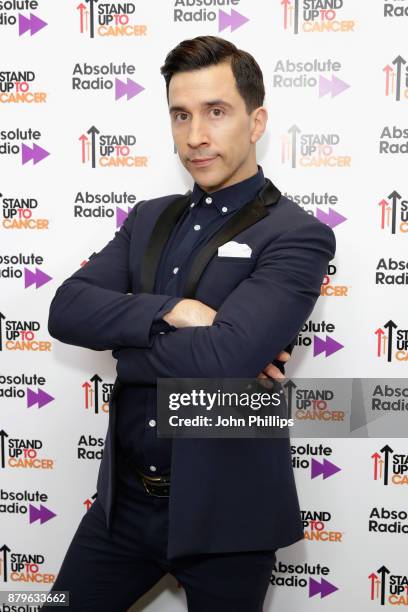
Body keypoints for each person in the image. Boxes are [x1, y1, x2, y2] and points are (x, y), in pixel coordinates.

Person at [45, 35, 336, 612]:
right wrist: (167, 312)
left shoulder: (295, 234)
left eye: (216, 112)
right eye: (181, 115)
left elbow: (226, 358)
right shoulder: (149, 218)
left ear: (257, 122)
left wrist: (123, 348)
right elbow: (66, 309)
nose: (196, 135)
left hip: (229, 522)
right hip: (121, 511)